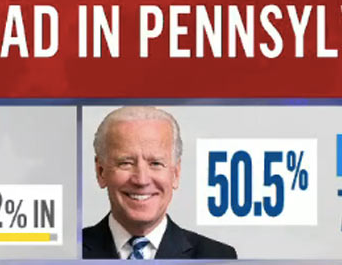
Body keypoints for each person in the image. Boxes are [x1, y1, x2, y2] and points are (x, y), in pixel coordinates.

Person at [81, 106, 237, 260]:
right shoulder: (64, 254)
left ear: (175, 173)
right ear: (101, 171)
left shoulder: (218, 257)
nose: (141, 180)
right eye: (126, 163)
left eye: (156, 163)